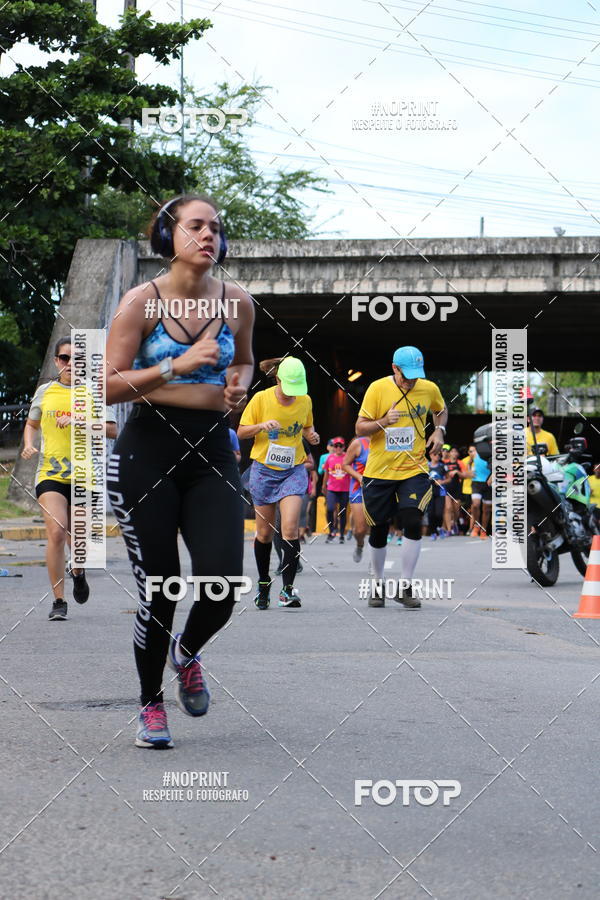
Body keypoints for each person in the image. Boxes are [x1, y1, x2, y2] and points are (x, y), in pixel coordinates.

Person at [106, 193, 255, 749]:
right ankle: (150, 704)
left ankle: (187, 651)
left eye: (215, 227)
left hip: (211, 449)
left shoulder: (237, 302)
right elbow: (104, 383)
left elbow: (241, 358)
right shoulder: (140, 303)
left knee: (221, 583)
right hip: (147, 450)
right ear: (168, 235)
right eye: (195, 226)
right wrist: (176, 365)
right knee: (162, 586)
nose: (208, 235)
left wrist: (239, 382)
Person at [21, 338, 118, 621]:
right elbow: (32, 423)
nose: (70, 364)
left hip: (85, 475)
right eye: (65, 359)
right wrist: (29, 442)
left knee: (80, 538)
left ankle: (78, 570)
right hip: (50, 473)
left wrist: (79, 421)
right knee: (56, 532)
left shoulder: (95, 392)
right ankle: (59, 601)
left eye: (77, 360)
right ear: (56, 361)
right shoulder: (45, 391)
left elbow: (111, 430)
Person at [356, 345, 447, 608]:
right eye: (406, 375)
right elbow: (360, 427)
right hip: (379, 471)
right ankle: (377, 584)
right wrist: (384, 421)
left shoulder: (428, 388)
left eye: (415, 375)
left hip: (414, 468)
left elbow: (439, 410)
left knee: (412, 518)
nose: (411, 381)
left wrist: (439, 431)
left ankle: (405, 585)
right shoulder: (377, 389)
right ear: (394, 368)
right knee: (380, 527)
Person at [238, 356, 319, 610]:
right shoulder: (261, 399)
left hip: (293, 469)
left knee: (290, 530)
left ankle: (287, 589)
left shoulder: (305, 400)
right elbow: (242, 431)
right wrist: (261, 425)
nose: (291, 394)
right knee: (263, 534)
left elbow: (306, 427)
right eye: (288, 388)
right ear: (278, 379)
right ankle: (263, 585)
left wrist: (312, 435)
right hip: (264, 471)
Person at [342, 435, 370, 562]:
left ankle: (374, 562)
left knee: (377, 527)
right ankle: (360, 545)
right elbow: (345, 465)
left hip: (380, 489)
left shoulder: (387, 441)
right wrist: (359, 477)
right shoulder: (358, 443)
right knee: (360, 530)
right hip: (358, 489)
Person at [323, 437, 350, 544]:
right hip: (332, 489)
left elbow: (352, 471)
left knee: (342, 512)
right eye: (336, 446)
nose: (338, 448)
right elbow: (326, 473)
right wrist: (323, 486)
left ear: (344, 447)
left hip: (345, 489)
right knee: (329, 509)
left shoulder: (348, 457)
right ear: (333, 447)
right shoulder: (329, 458)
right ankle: (331, 531)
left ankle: (342, 534)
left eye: (340, 446)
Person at [470, 449, 492, 539]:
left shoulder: (493, 452)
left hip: (488, 482)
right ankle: (476, 526)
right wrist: (469, 472)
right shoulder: (475, 452)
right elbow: (469, 463)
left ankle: (483, 530)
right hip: (476, 483)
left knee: (486, 509)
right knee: (475, 505)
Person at [442, 447, 464, 535]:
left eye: (455, 451)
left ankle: (454, 522)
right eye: (452, 451)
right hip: (446, 487)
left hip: (457, 487)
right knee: (448, 508)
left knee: (456, 509)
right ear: (449, 453)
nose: (454, 453)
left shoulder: (460, 463)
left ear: (458, 454)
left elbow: (465, 475)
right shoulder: (444, 463)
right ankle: (448, 528)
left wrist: (457, 472)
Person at [427, 449, 447, 539]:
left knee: (439, 513)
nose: (437, 456)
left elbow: (449, 478)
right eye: (435, 454)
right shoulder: (425, 466)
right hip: (429, 492)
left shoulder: (443, 466)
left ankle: (440, 528)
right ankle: (433, 532)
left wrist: (441, 481)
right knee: (430, 513)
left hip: (440, 492)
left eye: (439, 455)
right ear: (430, 455)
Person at [461, 445, 476, 534]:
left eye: (474, 451)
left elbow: (476, 474)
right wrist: (469, 471)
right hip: (465, 489)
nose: (472, 453)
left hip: (476, 488)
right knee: (467, 511)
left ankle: (471, 529)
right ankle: (464, 527)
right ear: (468, 452)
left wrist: (468, 473)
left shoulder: (479, 460)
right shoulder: (464, 461)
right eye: (470, 451)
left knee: (474, 509)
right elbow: (464, 475)